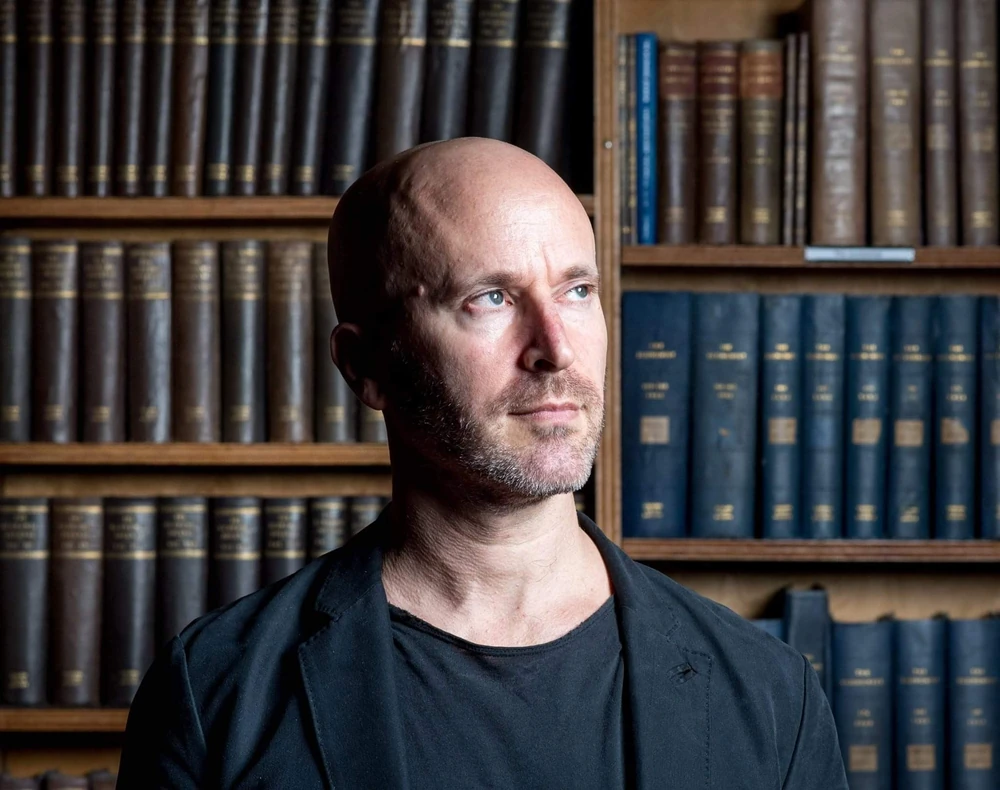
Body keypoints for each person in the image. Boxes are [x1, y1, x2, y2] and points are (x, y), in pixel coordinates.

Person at [117, 138, 848, 789]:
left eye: (577, 291)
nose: (555, 349)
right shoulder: (214, 693)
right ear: (365, 366)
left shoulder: (772, 695)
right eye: (491, 298)